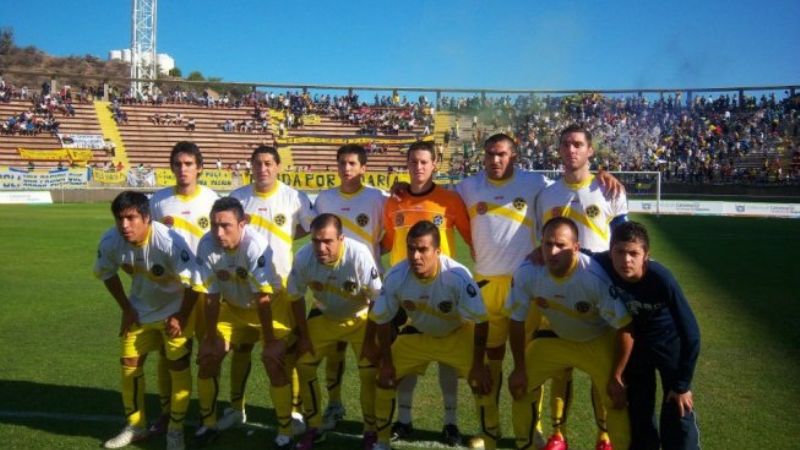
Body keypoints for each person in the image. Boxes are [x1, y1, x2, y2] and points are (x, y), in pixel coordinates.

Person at [533, 124, 629, 450]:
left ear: (590, 150)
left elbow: (624, 238)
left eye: (577, 144)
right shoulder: (546, 194)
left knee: (601, 371)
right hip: (556, 291)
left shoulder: (609, 190)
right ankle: (557, 435)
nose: (571, 150)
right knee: (560, 369)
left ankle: (603, 436)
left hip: (600, 293)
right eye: (565, 145)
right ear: (559, 151)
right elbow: (541, 241)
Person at [505, 217, 633, 450]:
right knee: (521, 387)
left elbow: (624, 326)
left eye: (561, 245)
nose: (552, 251)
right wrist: (519, 368)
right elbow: (516, 321)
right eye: (547, 244)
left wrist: (618, 375)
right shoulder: (527, 272)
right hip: (555, 337)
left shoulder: (593, 277)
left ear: (575, 248)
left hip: (596, 338)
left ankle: (613, 442)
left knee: (616, 398)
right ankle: (528, 445)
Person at [370, 221, 498, 450]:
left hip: (457, 334)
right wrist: (387, 363)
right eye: (411, 248)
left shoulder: (457, 276)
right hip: (418, 334)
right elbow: (381, 319)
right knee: (384, 379)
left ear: (437, 251)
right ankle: (381, 442)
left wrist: (478, 364)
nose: (415, 256)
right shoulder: (396, 275)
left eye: (422, 249)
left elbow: (480, 320)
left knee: (483, 382)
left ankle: (489, 442)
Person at [381, 140, 471, 445]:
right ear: (406, 165)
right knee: (404, 362)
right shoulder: (394, 200)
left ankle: (450, 423)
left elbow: (472, 240)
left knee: (448, 361)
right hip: (404, 293)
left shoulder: (450, 201)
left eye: (424, 162)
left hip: (444, 290)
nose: (418, 167)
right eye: (413, 162)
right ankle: (403, 421)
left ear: (435, 165)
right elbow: (391, 242)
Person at [94, 191, 199, 450]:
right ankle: (136, 426)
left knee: (177, 368)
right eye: (120, 219)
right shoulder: (111, 240)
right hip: (140, 312)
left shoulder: (169, 242)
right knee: (129, 364)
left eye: (131, 218)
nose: (125, 225)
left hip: (175, 312)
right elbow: (106, 273)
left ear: (146, 218)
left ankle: (175, 430)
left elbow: (195, 283)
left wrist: (182, 315)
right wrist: (127, 308)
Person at [230, 145, 315, 448]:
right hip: (242, 288)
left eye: (268, 163)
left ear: (278, 166)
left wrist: (285, 238)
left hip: (281, 289)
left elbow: (310, 229)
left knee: (282, 353)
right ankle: (235, 408)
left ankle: (291, 412)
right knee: (241, 348)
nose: (263, 168)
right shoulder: (238, 198)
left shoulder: (294, 197)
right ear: (250, 166)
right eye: (257, 163)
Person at [594, 222, 701, 450]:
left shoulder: (662, 279)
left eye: (634, 253)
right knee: (640, 408)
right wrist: (539, 253)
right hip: (636, 346)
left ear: (646, 256)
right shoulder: (603, 263)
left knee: (677, 406)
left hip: (667, 343)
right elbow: (576, 254)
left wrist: (682, 384)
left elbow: (691, 333)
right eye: (620, 252)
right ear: (610, 251)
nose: (626, 260)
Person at [191, 197, 284, 447]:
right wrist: (210, 338)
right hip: (233, 308)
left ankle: (287, 425)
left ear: (242, 223)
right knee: (209, 357)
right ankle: (209, 423)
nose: (218, 232)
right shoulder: (206, 244)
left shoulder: (255, 246)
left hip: (269, 306)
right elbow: (210, 296)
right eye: (213, 225)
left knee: (275, 359)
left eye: (225, 226)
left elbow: (262, 298)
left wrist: (271, 341)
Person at [289, 214, 383, 449]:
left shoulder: (358, 254)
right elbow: (296, 297)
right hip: (324, 315)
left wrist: (371, 341)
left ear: (341, 238)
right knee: (304, 364)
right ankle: (314, 426)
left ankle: (371, 430)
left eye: (328, 241)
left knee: (369, 372)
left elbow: (376, 300)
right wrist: (304, 335)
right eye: (316, 241)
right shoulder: (303, 257)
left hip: (360, 318)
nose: (321, 247)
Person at [313, 144, 388, 431]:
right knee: (334, 351)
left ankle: (373, 422)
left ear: (363, 168)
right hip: (330, 287)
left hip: (368, 289)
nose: (347, 168)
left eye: (353, 163)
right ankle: (334, 405)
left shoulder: (377, 198)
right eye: (342, 163)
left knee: (370, 358)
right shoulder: (324, 198)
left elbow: (389, 237)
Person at [149, 141, 219, 436]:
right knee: (169, 355)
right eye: (177, 164)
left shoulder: (213, 199)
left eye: (188, 164)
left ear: (200, 168)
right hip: (171, 291)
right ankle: (167, 412)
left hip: (206, 289)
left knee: (207, 354)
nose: (183, 169)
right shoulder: (159, 201)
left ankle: (207, 415)